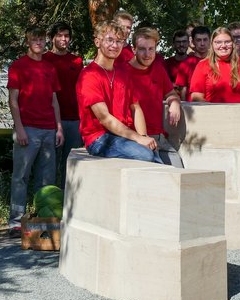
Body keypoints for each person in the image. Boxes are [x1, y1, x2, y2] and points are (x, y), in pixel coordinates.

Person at [76, 21, 161, 163]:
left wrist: (143, 137)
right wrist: (137, 138)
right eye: (110, 40)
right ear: (97, 42)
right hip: (99, 137)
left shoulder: (123, 72)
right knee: (145, 155)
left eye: (119, 41)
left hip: (123, 135)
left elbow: (136, 108)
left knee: (153, 155)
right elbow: (104, 118)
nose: (115, 45)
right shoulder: (88, 75)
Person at [7, 27, 63, 238]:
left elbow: (54, 100)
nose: (39, 42)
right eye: (34, 39)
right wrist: (19, 128)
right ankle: (15, 222)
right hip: (28, 129)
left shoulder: (49, 68)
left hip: (49, 129)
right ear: (27, 41)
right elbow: (13, 100)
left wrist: (58, 128)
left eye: (42, 39)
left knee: (46, 180)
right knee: (20, 176)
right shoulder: (18, 66)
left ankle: (43, 222)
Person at [128, 27, 184, 167]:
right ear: (133, 49)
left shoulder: (158, 69)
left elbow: (170, 93)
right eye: (142, 49)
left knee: (179, 171)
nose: (147, 54)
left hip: (159, 137)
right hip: (136, 139)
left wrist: (174, 103)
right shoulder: (123, 72)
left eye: (151, 49)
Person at [42, 21, 83, 188]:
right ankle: (46, 203)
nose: (63, 39)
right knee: (48, 165)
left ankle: (67, 202)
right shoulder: (44, 59)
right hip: (50, 120)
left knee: (70, 164)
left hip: (74, 118)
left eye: (66, 36)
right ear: (52, 38)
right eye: (59, 35)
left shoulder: (77, 61)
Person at [189, 27, 240, 103]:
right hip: (213, 113)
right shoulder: (202, 65)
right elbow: (196, 96)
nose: (223, 45)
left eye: (227, 42)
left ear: (233, 43)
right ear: (212, 44)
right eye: (218, 42)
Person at [182, 25, 211, 95]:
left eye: (205, 39)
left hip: (214, 104)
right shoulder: (185, 64)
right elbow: (183, 90)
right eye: (198, 40)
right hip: (192, 105)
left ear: (210, 40)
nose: (202, 44)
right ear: (193, 41)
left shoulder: (216, 62)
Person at [164, 29, 192, 99]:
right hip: (170, 103)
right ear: (173, 44)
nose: (181, 44)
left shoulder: (193, 62)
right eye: (178, 42)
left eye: (184, 41)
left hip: (191, 104)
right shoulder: (166, 64)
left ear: (188, 43)